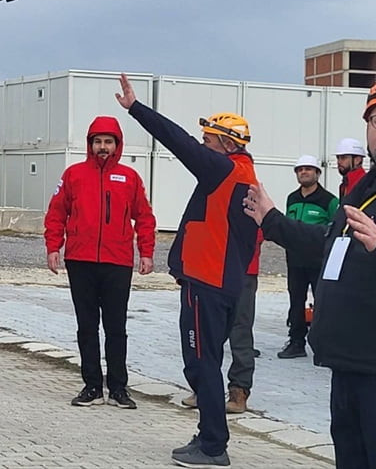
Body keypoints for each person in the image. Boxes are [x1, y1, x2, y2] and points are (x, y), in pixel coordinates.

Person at [244, 77, 376, 469]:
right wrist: (273, 221)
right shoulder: (366, 189)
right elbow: (330, 243)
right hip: (348, 365)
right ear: (367, 130)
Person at [115, 74, 258, 469]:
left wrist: (136, 109)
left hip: (207, 283)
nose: (203, 147)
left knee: (201, 363)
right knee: (206, 360)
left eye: (210, 141)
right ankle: (209, 435)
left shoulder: (224, 170)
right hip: (224, 283)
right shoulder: (247, 178)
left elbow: (176, 140)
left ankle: (213, 444)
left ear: (228, 145)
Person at [44, 116, 156, 409]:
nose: (102, 147)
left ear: (117, 145)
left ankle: (119, 388)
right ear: (90, 144)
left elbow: (144, 217)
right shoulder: (73, 175)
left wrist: (146, 252)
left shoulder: (129, 178)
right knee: (87, 326)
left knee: (116, 327)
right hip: (80, 260)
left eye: (108, 142)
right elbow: (56, 213)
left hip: (117, 262)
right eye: (97, 142)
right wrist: (53, 246)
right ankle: (92, 386)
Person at [182, 229, 263, 414]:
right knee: (209, 331)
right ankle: (204, 388)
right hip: (211, 268)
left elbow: (258, 229)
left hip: (243, 269)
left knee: (240, 331)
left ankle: (239, 390)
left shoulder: (250, 199)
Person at [277, 155, 338, 360]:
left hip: (318, 261)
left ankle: (324, 344)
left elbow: (335, 229)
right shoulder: (292, 199)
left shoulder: (329, 201)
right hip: (295, 260)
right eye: (300, 169)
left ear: (317, 174)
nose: (304, 172)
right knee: (296, 301)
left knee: (322, 302)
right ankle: (296, 342)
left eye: (308, 169)